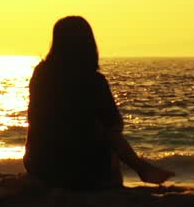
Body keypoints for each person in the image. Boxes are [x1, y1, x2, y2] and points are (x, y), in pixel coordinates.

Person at [24, 16, 174, 190]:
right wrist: (138, 165)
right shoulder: (93, 80)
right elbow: (112, 129)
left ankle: (140, 170)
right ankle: (136, 175)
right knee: (108, 135)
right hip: (78, 170)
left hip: (38, 163)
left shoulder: (41, 74)